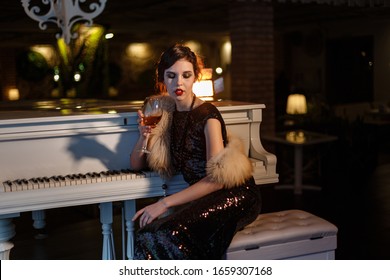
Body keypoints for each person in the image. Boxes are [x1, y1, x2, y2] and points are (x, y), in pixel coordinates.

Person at [130, 43, 262, 259]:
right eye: (171, 75)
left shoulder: (208, 116)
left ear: (195, 78)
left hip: (236, 196)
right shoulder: (165, 114)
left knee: (166, 233)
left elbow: (217, 180)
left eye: (186, 75)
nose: (178, 82)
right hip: (205, 197)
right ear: (162, 79)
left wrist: (163, 204)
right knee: (146, 234)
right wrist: (143, 136)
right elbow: (136, 164)